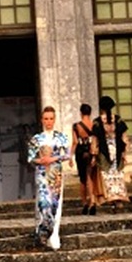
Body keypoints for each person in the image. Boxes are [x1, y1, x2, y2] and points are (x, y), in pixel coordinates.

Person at [27, 106, 70, 250]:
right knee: (43, 202)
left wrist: (52, 159)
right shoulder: (36, 139)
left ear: (55, 119)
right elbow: (30, 157)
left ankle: (52, 235)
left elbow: (67, 154)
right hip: (41, 173)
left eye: (51, 118)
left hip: (55, 174)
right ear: (42, 120)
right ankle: (42, 232)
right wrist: (41, 161)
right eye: (46, 119)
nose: (49, 121)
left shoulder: (61, 137)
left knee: (55, 204)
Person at [90, 95, 130, 211]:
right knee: (117, 174)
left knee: (107, 176)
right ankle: (119, 199)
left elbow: (95, 140)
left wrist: (94, 155)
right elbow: (124, 137)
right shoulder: (117, 120)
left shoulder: (97, 122)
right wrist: (124, 152)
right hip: (116, 149)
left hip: (104, 150)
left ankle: (111, 199)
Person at [69, 102, 97, 215]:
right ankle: (93, 201)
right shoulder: (94, 125)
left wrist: (70, 156)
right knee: (90, 176)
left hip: (80, 151)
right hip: (91, 150)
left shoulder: (76, 126)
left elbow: (75, 142)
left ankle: (85, 202)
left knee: (82, 179)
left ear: (81, 113)